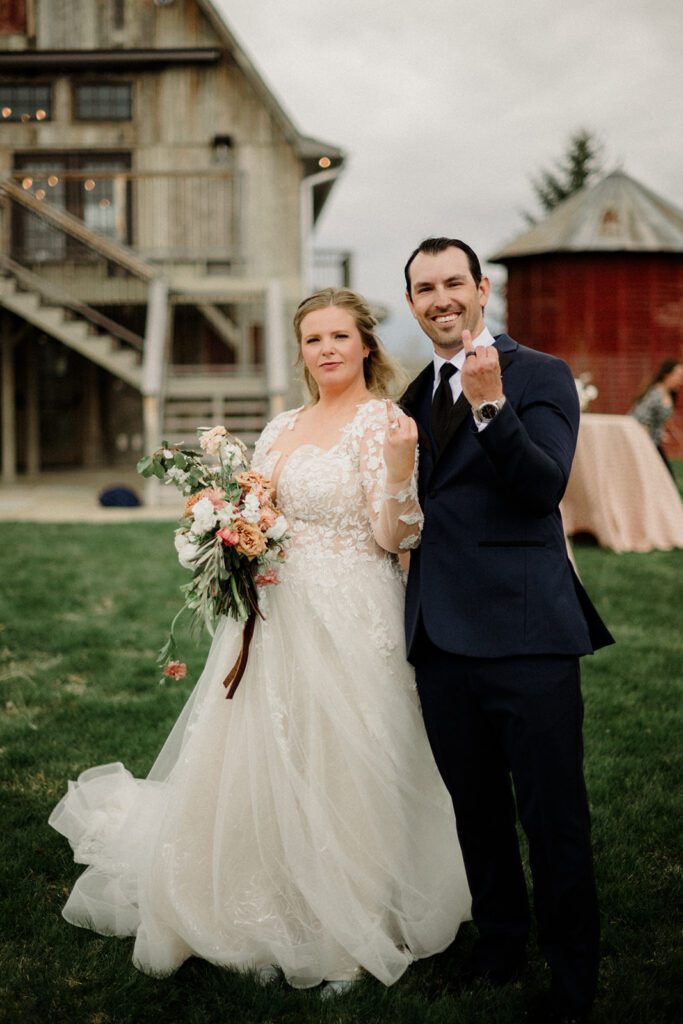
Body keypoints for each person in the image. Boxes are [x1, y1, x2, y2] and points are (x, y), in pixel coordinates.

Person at [49, 287, 471, 992]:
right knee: (261, 755)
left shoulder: (381, 425)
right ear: (300, 352)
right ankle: (252, 892)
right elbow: (259, 505)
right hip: (270, 613)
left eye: (339, 336)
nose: (327, 349)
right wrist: (226, 530)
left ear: (365, 344)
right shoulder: (282, 426)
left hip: (350, 610)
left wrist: (401, 470)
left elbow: (393, 536)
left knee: (346, 758)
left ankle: (348, 909)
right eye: (313, 339)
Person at [400, 238, 614, 1022]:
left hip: (527, 634)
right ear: (413, 303)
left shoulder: (540, 374)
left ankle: (571, 968)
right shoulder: (411, 394)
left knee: (552, 812)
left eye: (453, 282)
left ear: (482, 289)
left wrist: (490, 406)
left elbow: (540, 489)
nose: (440, 298)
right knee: (476, 809)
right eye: (424, 288)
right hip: (440, 636)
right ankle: (498, 943)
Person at [630, 358, 683, 477]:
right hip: (647, 444)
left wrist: (661, 432)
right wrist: (645, 445)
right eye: (679, 375)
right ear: (667, 374)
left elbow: (659, 419)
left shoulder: (669, 394)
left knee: (665, 477)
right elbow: (639, 418)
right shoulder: (655, 394)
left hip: (655, 442)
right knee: (664, 477)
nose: (681, 379)